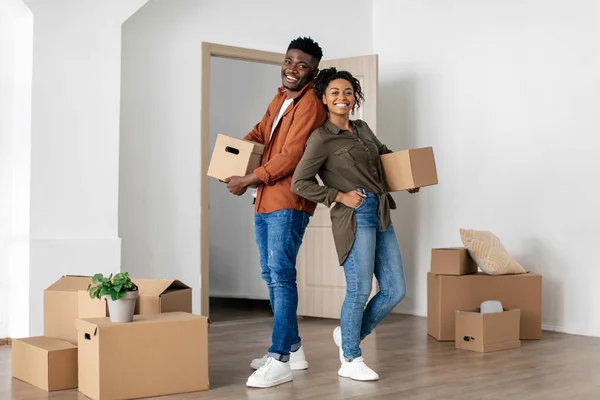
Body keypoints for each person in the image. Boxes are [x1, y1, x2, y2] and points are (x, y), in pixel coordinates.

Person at [291, 67, 418, 381]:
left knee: (395, 289)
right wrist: (338, 196)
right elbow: (300, 182)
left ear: (355, 97)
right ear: (323, 98)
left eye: (347, 92)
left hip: (381, 211)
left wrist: (407, 177)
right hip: (354, 214)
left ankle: (349, 334)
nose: (342, 97)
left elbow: (384, 156)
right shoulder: (321, 138)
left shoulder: (362, 128)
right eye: (334, 92)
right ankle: (350, 357)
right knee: (359, 289)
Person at [224, 37, 327, 389]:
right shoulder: (281, 98)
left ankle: (279, 357)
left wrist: (248, 177)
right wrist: (233, 155)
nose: (292, 69)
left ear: (313, 72)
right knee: (271, 274)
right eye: (289, 61)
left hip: (288, 201)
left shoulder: (311, 103)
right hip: (265, 199)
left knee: (281, 276)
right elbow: (261, 133)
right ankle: (295, 350)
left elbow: (291, 157)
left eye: (301, 65)